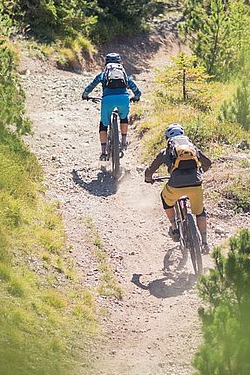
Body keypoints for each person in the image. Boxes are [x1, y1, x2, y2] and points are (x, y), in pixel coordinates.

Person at [144, 123, 212, 253]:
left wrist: (149, 179)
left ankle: (175, 228)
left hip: (175, 185)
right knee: (200, 212)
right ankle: (204, 243)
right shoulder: (193, 149)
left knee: (165, 199)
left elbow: (150, 171)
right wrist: (201, 171)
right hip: (196, 184)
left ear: (167, 139)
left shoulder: (166, 152)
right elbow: (208, 163)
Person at [82, 52, 142, 160]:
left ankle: (103, 152)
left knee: (103, 124)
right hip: (123, 98)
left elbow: (91, 85)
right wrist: (136, 96)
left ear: (106, 63)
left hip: (107, 100)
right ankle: (124, 141)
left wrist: (85, 95)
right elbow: (135, 88)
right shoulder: (123, 74)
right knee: (123, 117)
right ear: (120, 63)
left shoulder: (103, 74)